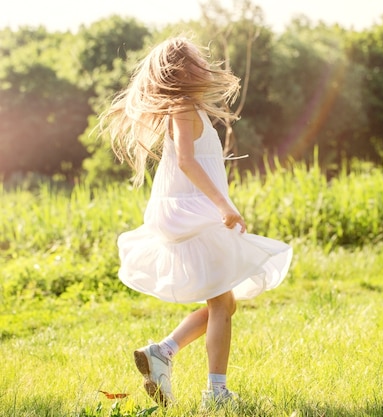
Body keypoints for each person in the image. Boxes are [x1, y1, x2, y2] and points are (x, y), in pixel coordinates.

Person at [99, 36, 292, 408]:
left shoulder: (190, 108)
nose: (205, 65)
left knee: (226, 303)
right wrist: (223, 205)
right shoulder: (182, 109)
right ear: (182, 69)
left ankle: (164, 352)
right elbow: (186, 161)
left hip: (195, 211)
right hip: (193, 213)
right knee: (222, 303)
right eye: (196, 61)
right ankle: (216, 394)